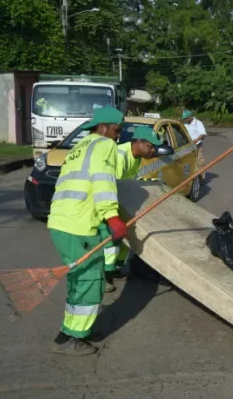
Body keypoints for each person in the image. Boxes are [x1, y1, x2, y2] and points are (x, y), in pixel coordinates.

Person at [46, 106, 127, 356]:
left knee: (78, 278)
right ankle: (72, 338)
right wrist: (112, 216)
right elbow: (103, 182)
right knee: (90, 281)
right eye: (116, 130)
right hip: (78, 224)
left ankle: (70, 331)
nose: (118, 136)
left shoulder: (79, 147)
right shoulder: (104, 145)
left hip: (63, 222)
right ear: (102, 128)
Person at [100, 125, 165, 293]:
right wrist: (113, 216)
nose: (153, 150)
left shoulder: (135, 157)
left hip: (120, 201)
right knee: (111, 239)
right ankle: (104, 275)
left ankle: (115, 267)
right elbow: (110, 186)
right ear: (139, 143)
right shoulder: (120, 156)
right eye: (150, 146)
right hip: (108, 202)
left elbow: (127, 184)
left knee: (126, 236)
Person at [181, 109, 207, 180]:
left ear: (190, 117)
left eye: (186, 118)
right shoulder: (185, 124)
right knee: (187, 163)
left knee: (200, 162)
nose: (185, 120)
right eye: (184, 119)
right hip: (187, 146)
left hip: (197, 146)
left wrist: (197, 139)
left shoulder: (198, 123)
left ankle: (202, 178)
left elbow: (203, 134)